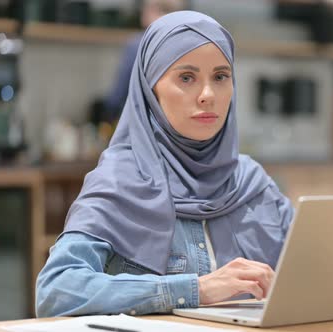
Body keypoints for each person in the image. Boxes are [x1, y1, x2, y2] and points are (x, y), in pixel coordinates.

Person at [36, 11, 294, 317]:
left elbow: (318, 272)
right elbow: (56, 290)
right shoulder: (120, 179)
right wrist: (196, 290)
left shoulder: (253, 182)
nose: (208, 95)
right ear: (150, 90)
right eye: (187, 78)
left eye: (221, 76)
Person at [104, 0, 185, 120]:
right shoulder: (187, 43)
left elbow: (119, 92)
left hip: (142, 123)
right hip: (179, 124)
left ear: (151, 10)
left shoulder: (138, 45)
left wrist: (109, 112)